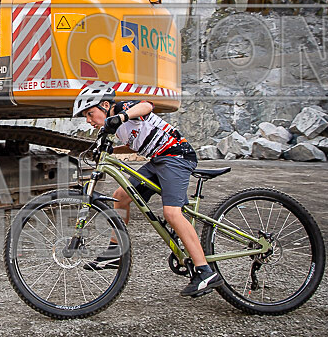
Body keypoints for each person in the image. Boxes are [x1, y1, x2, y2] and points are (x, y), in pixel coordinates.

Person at [72, 82, 223, 297]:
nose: (88, 120)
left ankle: (205, 271)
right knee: (120, 196)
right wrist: (112, 149)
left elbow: (147, 105)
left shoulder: (124, 109)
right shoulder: (116, 127)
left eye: (90, 113)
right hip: (157, 161)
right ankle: (115, 251)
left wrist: (120, 117)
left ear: (105, 105)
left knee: (171, 212)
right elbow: (134, 143)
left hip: (176, 157)